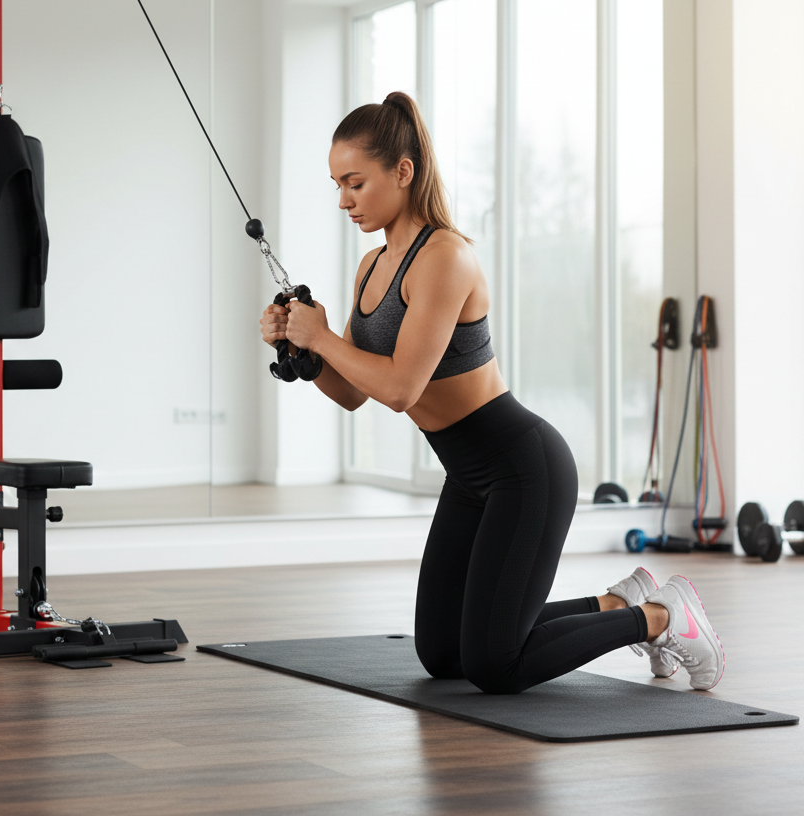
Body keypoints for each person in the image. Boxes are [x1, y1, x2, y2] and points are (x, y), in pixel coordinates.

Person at [259, 92, 724, 694]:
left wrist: (321, 333)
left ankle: (664, 617)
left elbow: (401, 388)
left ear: (403, 172)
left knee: (494, 664)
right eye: (337, 185)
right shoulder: (371, 266)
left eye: (355, 183)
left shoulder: (446, 257)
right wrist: (300, 353)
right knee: (444, 653)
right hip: (469, 475)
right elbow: (353, 392)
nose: (344, 200)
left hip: (523, 467)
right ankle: (618, 603)